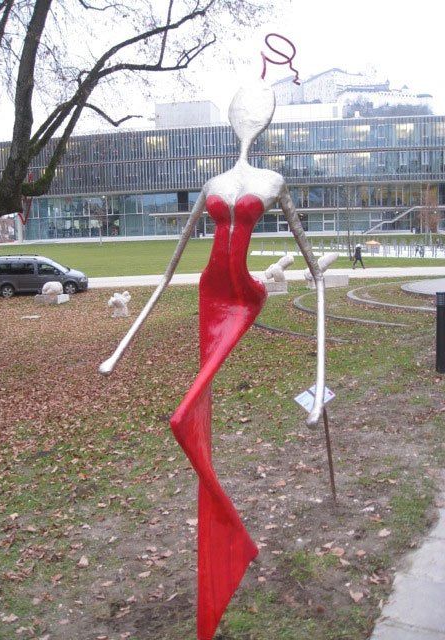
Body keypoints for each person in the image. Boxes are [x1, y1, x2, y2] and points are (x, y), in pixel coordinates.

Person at [99, 79, 326, 640]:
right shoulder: (214, 184)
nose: (249, 116)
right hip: (210, 294)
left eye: (257, 110)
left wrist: (319, 378)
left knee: (182, 418)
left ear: (265, 119)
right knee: (192, 418)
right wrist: (122, 344)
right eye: (243, 109)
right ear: (234, 118)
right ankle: (227, 550)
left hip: (243, 296)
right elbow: (172, 267)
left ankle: (232, 540)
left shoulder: (273, 182)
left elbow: (314, 270)